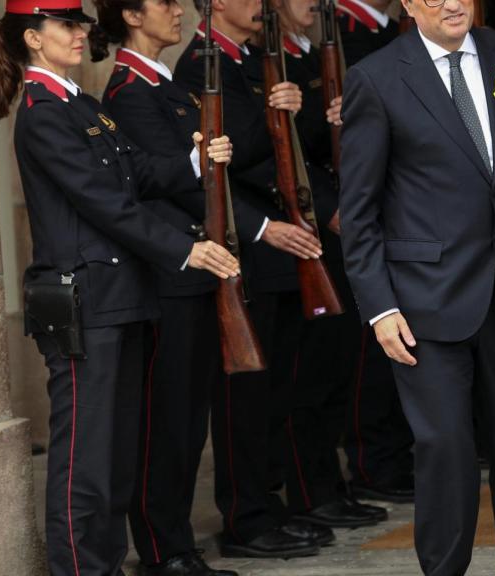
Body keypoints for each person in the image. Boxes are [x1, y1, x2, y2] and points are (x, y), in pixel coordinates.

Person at [0, 3, 239, 575]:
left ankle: (105, 564)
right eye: (66, 26)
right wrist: (182, 248)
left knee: (117, 456)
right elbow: (103, 202)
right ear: (32, 38)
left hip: (119, 298)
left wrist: (194, 161)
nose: (81, 34)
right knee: (85, 461)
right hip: (86, 302)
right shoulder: (44, 112)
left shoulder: (81, 104)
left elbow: (135, 174)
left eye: (80, 24)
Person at [339, 0, 495, 574]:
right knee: (445, 449)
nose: (450, 2)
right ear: (408, 5)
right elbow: (359, 210)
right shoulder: (377, 77)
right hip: (423, 301)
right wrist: (379, 306)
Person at [175, 0, 336, 560]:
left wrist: (294, 108)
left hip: (279, 244)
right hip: (249, 246)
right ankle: (246, 516)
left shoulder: (244, 58)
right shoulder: (202, 66)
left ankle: (270, 505)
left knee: (275, 391)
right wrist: (274, 112)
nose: (260, 6)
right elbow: (226, 158)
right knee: (244, 396)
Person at [90, 0, 237, 573]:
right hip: (168, 274)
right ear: (130, 14)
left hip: (196, 268)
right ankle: (160, 549)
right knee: (165, 420)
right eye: (164, 3)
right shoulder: (130, 92)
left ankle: (177, 545)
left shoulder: (169, 86)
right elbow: (158, 182)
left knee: (189, 416)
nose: (178, 12)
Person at [268, 0, 388, 529]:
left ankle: (327, 484)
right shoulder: (279, 63)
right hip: (308, 230)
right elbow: (282, 157)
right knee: (309, 376)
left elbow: (317, 144)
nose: (311, 6)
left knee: (336, 365)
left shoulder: (311, 54)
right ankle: (308, 489)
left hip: (331, 225)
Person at [333, 0, 419, 505]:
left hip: (397, 220)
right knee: (363, 359)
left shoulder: (387, 30)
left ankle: (389, 457)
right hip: (350, 224)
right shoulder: (352, 35)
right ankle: (372, 463)